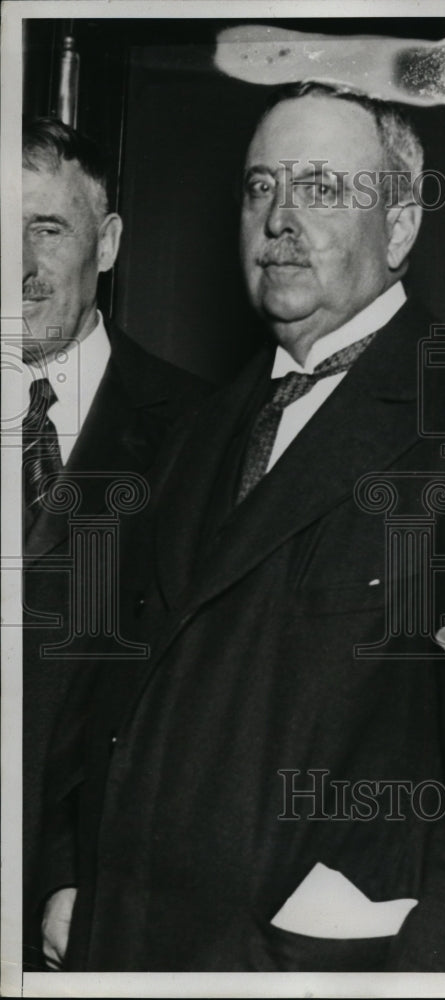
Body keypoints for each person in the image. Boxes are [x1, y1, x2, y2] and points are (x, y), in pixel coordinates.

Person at [40, 84, 445, 972]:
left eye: (324, 188)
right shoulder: (193, 431)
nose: (282, 218)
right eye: (262, 187)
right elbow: (104, 680)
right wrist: (65, 877)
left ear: (400, 228)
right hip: (122, 948)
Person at [21, 117, 211, 969]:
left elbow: (196, 703)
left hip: (91, 909)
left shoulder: (201, 435)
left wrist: (76, 875)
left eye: (46, 227)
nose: (14, 263)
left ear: (108, 243)